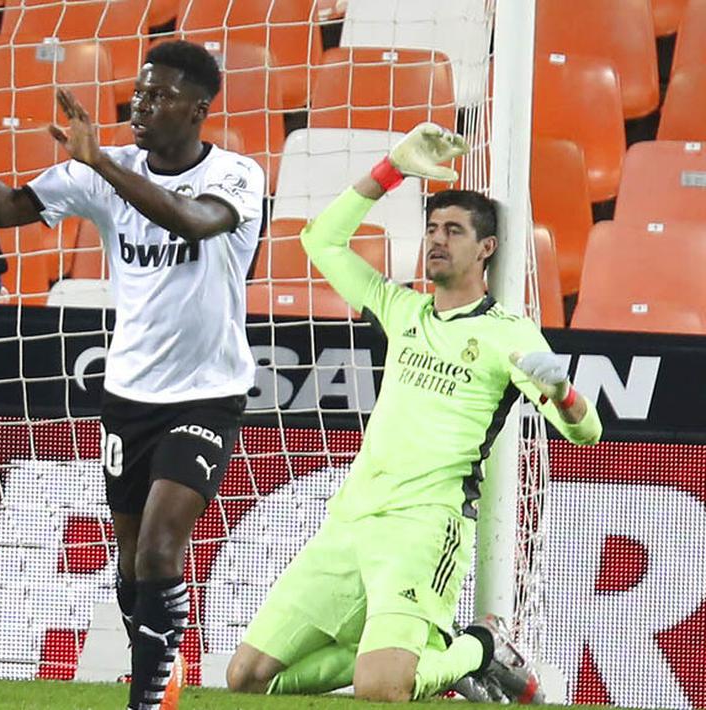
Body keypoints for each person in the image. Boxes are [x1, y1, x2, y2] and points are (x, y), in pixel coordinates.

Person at [0, 39, 265, 710]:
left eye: (158, 95)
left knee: (162, 550)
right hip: (127, 396)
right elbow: (4, 210)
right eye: (137, 92)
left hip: (206, 393)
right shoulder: (104, 170)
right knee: (132, 567)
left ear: (198, 108)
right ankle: (157, 670)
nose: (140, 105)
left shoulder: (235, 176)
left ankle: (151, 694)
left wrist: (100, 162)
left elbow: (192, 222)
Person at [224, 123, 603, 703]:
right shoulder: (401, 309)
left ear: (487, 248)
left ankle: (481, 644)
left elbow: (586, 434)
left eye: (453, 230)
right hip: (350, 521)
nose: (436, 240)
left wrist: (564, 392)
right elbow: (320, 241)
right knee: (247, 679)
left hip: (425, 525)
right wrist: (391, 169)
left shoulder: (509, 333)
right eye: (430, 229)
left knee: (384, 692)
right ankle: (422, 654)